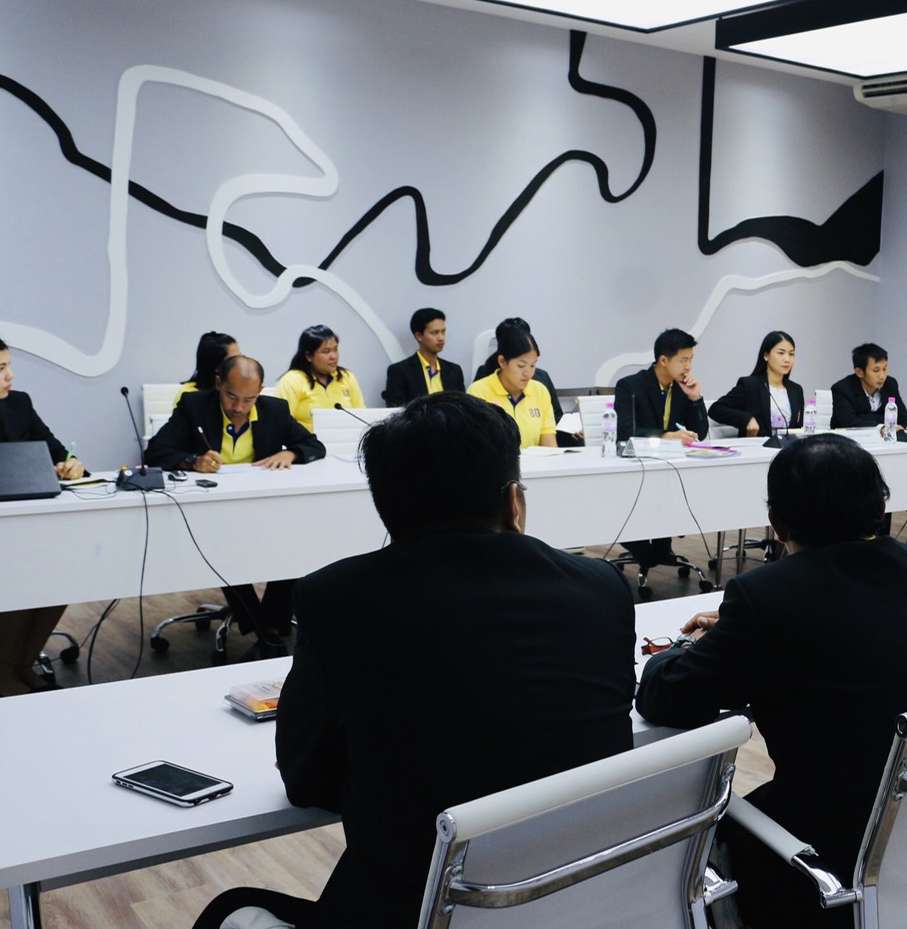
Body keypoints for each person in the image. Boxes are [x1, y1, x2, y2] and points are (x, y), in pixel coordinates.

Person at [197, 393, 636, 929]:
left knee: (229, 910)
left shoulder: (338, 599)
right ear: (513, 501)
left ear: (387, 508)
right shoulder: (600, 587)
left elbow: (306, 781)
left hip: (423, 907)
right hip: (589, 899)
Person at [636, 435, 907, 927]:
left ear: (776, 522)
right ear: (880, 508)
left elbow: (667, 697)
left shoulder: (766, 598)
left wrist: (686, 646)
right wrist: (742, 634)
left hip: (829, 850)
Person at [145, 355, 325, 648]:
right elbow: (155, 452)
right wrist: (193, 461)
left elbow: (314, 446)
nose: (239, 407)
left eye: (249, 399)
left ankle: (268, 623)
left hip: (262, 508)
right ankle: (263, 628)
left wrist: (290, 453)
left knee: (295, 540)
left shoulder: (275, 410)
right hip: (210, 512)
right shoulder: (195, 406)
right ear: (218, 383)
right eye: (231, 397)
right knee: (224, 548)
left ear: (260, 392)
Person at [0, 333, 83, 697]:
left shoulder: (19, 403)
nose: (10, 375)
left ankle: (22, 664)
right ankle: (1, 671)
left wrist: (71, 464)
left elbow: (57, 451)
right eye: (0, 368)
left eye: (9, 365)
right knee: (21, 573)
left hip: (22, 524)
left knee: (59, 573)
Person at [614, 328, 710, 570]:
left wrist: (695, 398)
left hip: (671, 469)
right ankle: (644, 547)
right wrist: (668, 437)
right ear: (663, 360)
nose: (688, 366)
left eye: (691, 360)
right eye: (683, 360)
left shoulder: (681, 389)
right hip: (635, 469)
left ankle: (659, 547)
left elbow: (700, 433)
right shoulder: (630, 386)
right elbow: (626, 432)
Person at [472, 318, 574, 441]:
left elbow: (549, 443)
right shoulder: (478, 391)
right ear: (502, 362)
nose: (528, 373)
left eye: (533, 365)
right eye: (521, 366)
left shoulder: (540, 390)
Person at [710, 330, 805, 438]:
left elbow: (798, 427)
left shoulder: (796, 390)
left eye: (791, 354)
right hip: (757, 446)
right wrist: (747, 419)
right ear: (766, 355)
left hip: (787, 447)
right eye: (781, 353)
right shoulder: (750, 385)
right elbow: (716, 409)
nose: (787, 359)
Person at [274, 324, 367, 433]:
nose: (333, 356)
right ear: (308, 356)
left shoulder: (347, 377)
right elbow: (280, 423)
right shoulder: (292, 380)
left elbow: (361, 415)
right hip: (306, 441)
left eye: (335, 349)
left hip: (345, 439)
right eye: (326, 351)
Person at [829, 342, 907, 433]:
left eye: (884, 369)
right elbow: (849, 422)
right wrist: (881, 427)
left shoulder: (890, 384)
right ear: (859, 372)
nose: (882, 376)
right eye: (876, 370)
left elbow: (901, 415)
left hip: (884, 440)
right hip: (846, 440)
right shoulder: (842, 389)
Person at [380, 307, 464, 407]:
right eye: (435, 333)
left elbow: (462, 407)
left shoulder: (454, 371)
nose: (441, 338)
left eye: (443, 332)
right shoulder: (400, 371)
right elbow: (396, 411)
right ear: (419, 336)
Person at [176, 331, 238, 407]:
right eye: (233, 359)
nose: (240, 363)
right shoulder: (188, 396)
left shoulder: (239, 388)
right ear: (216, 365)